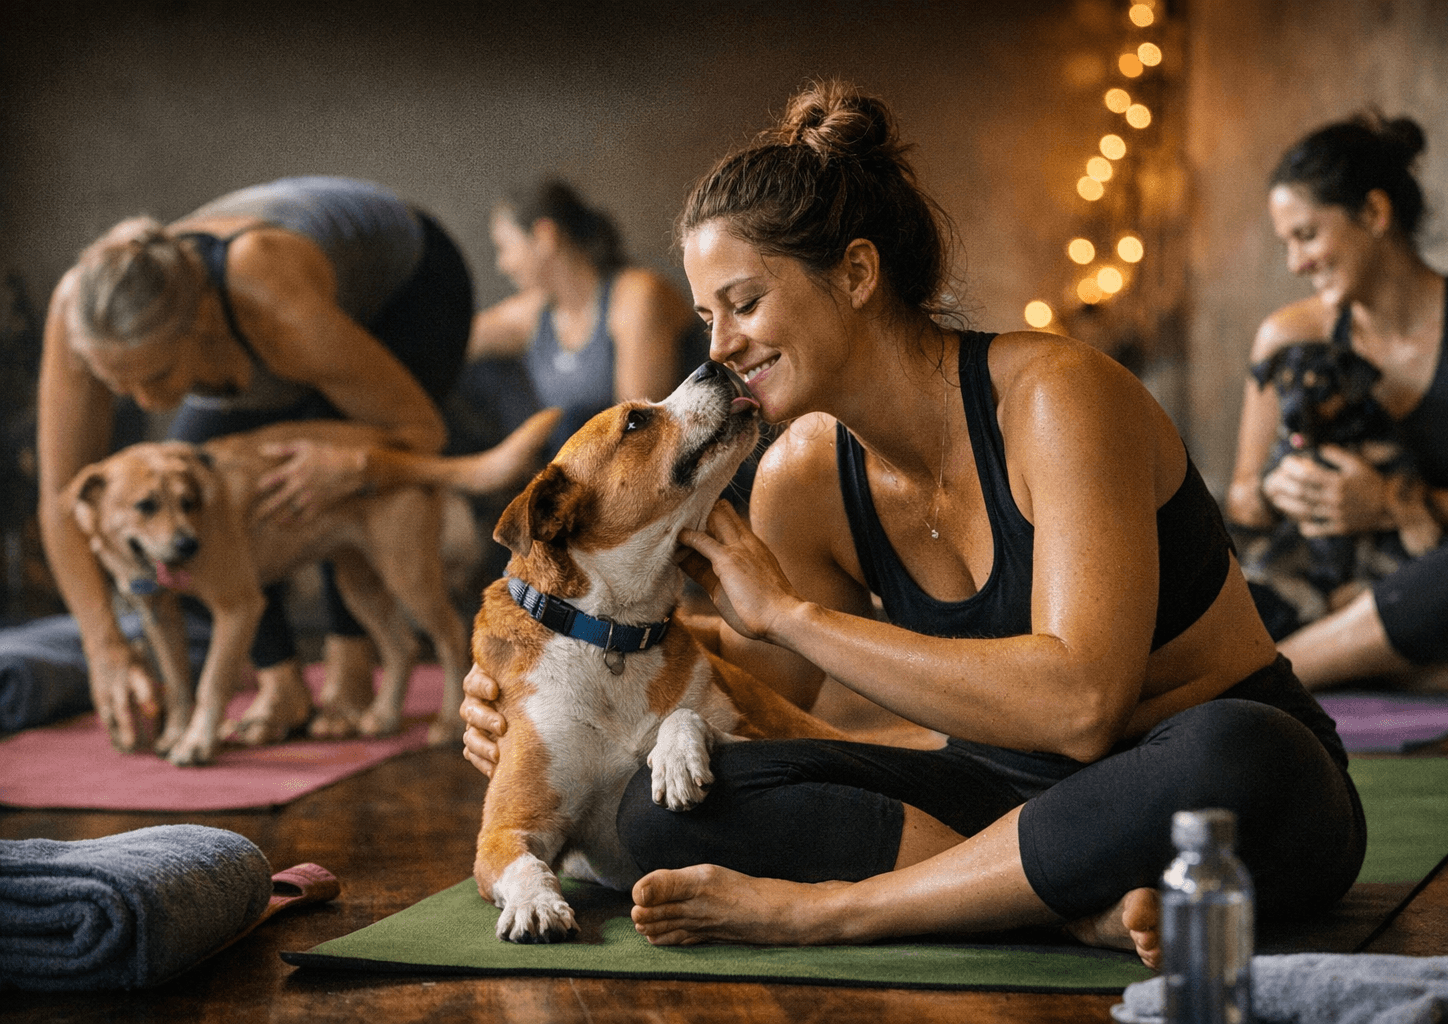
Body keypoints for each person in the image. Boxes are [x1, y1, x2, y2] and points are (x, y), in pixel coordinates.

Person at [458, 82, 1365, 968]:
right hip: (1000, 795)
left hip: (1198, 784)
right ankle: (1046, 903)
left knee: (1240, 747)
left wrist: (793, 614)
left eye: (744, 304)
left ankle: (842, 914)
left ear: (856, 273)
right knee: (660, 810)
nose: (720, 349)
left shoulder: (1056, 398)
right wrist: (561, 668)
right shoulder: (804, 473)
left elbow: (1084, 709)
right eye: (707, 317)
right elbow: (766, 686)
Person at [37, 175, 474, 751]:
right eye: (121, 388)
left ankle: (351, 659)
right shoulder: (81, 314)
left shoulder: (274, 306)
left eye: (158, 377)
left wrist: (352, 464)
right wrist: (105, 645)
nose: (145, 403)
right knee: (207, 489)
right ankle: (282, 682)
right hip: (258, 320)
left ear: (199, 327)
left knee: (316, 471)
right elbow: (61, 496)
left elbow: (422, 433)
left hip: (411, 284)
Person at [1226, 113, 1448, 698]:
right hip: (1325, 582)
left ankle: (1265, 677)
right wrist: (1275, 490)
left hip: (1445, 586)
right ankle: (1395, 669)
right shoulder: (1286, 338)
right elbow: (1243, 500)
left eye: (1307, 235)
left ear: (1374, 213)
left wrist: (1394, 504)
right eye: (1286, 243)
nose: (1295, 263)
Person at [456, 178, 709, 455]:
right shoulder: (534, 313)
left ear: (544, 237)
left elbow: (639, 437)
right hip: (590, 464)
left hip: (667, 460)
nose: (502, 265)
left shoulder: (636, 297)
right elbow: (448, 342)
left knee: (573, 422)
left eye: (505, 248)